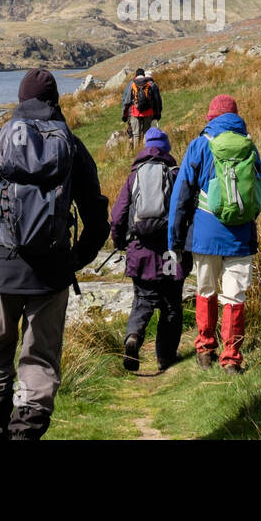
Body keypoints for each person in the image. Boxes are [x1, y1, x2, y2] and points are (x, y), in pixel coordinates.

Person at [0, 68, 109, 439]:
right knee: (38, 363)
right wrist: (72, 261)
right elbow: (98, 222)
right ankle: (23, 435)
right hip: (50, 277)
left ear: (21, 100)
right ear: (55, 101)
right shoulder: (71, 145)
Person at [168, 94, 261, 374]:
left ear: (210, 118)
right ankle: (232, 358)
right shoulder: (249, 147)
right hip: (240, 237)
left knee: (206, 289)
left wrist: (175, 239)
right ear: (236, 118)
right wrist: (245, 218)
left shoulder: (199, 145)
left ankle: (204, 348)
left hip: (205, 234)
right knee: (235, 297)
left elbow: (181, 196)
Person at [109, 127, 185, 373]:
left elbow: (119, 213)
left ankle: (133, 337)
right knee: (171, 304)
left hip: (140, 251)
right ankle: (165, 357)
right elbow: (185, 211)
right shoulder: (174, 173)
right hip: (170, 253)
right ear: (166, 149)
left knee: (142, 300)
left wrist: (119, 241)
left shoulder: (135, 175)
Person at [125, 68, 162, 146]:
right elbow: (156, 100)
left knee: (136, 134)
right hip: (148, 112)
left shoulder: (132, 84)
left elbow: (127, 100)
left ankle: (136, 153)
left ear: (136, 75)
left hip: (135, 112)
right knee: (146, 133)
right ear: (144, 75)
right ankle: (145, 152)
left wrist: (124, 114)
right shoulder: (149, 84)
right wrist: (157, 113)